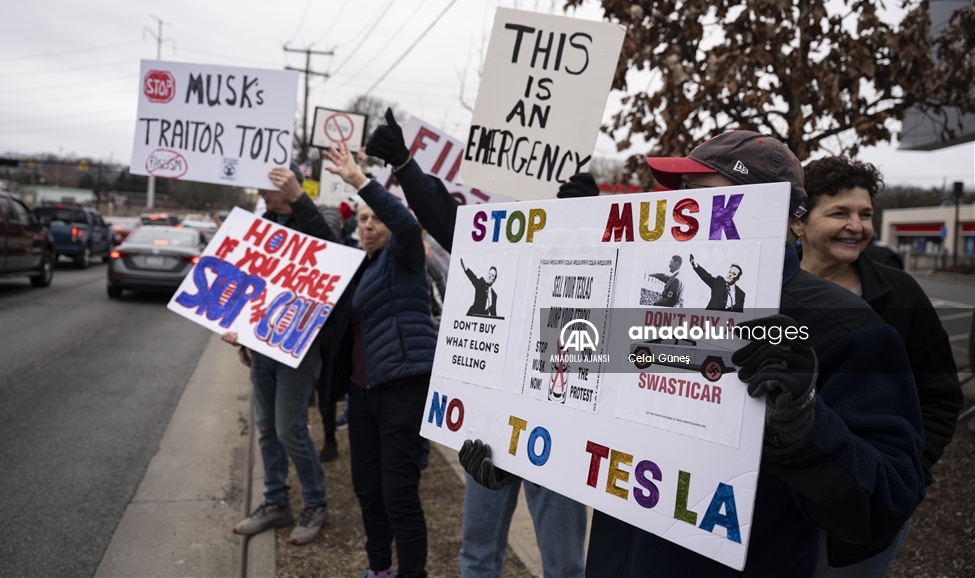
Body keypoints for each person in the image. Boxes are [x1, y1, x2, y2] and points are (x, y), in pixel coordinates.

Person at [464, 130, 925, 577]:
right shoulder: (634, 301)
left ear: (762, 207)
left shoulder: (847, 327)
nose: (678, 208)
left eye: (699, 193)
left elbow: (885, 503)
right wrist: (520, 454)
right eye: (680, 192)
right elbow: (590, 411)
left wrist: (805, 424)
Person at [366, 108, 591, 578]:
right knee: (477, 555)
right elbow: (445, 216)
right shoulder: (493, 240)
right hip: (489, 421)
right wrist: (404, 164)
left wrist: (588, 215)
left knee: (565, 566)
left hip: (560, 417)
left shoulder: (583, 240)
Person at [793, 156, 963, 577]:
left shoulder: (899, 293)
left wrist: (904, 474)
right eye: (839, 213)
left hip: (860, 522)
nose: (858, 226)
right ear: (799, 223)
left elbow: (940, 394)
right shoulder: (766, 288)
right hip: (782, 505)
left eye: (866, 214)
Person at [323, 141, 436, 578]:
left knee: (399, 497)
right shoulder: (360, 268)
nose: (369, 226)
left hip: (401, 391)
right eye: (363, 220)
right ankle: (379, 571)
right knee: (367, 491)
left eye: (377, 219)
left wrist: (359, 180)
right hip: (363, 397)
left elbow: (408, 227)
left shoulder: (402, 257)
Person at [225, 166, 335, 545]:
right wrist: (244, 339)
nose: (262, 196)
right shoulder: (262, 224)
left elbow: (332, 245)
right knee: (267, 428)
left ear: (288, 187)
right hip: (263, 346)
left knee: (290, 428)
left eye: (267, 190)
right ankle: (276, 503)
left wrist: (300, 199)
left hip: (299, 349)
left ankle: (316, 503)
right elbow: (250, 283)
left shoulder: (318, 217)